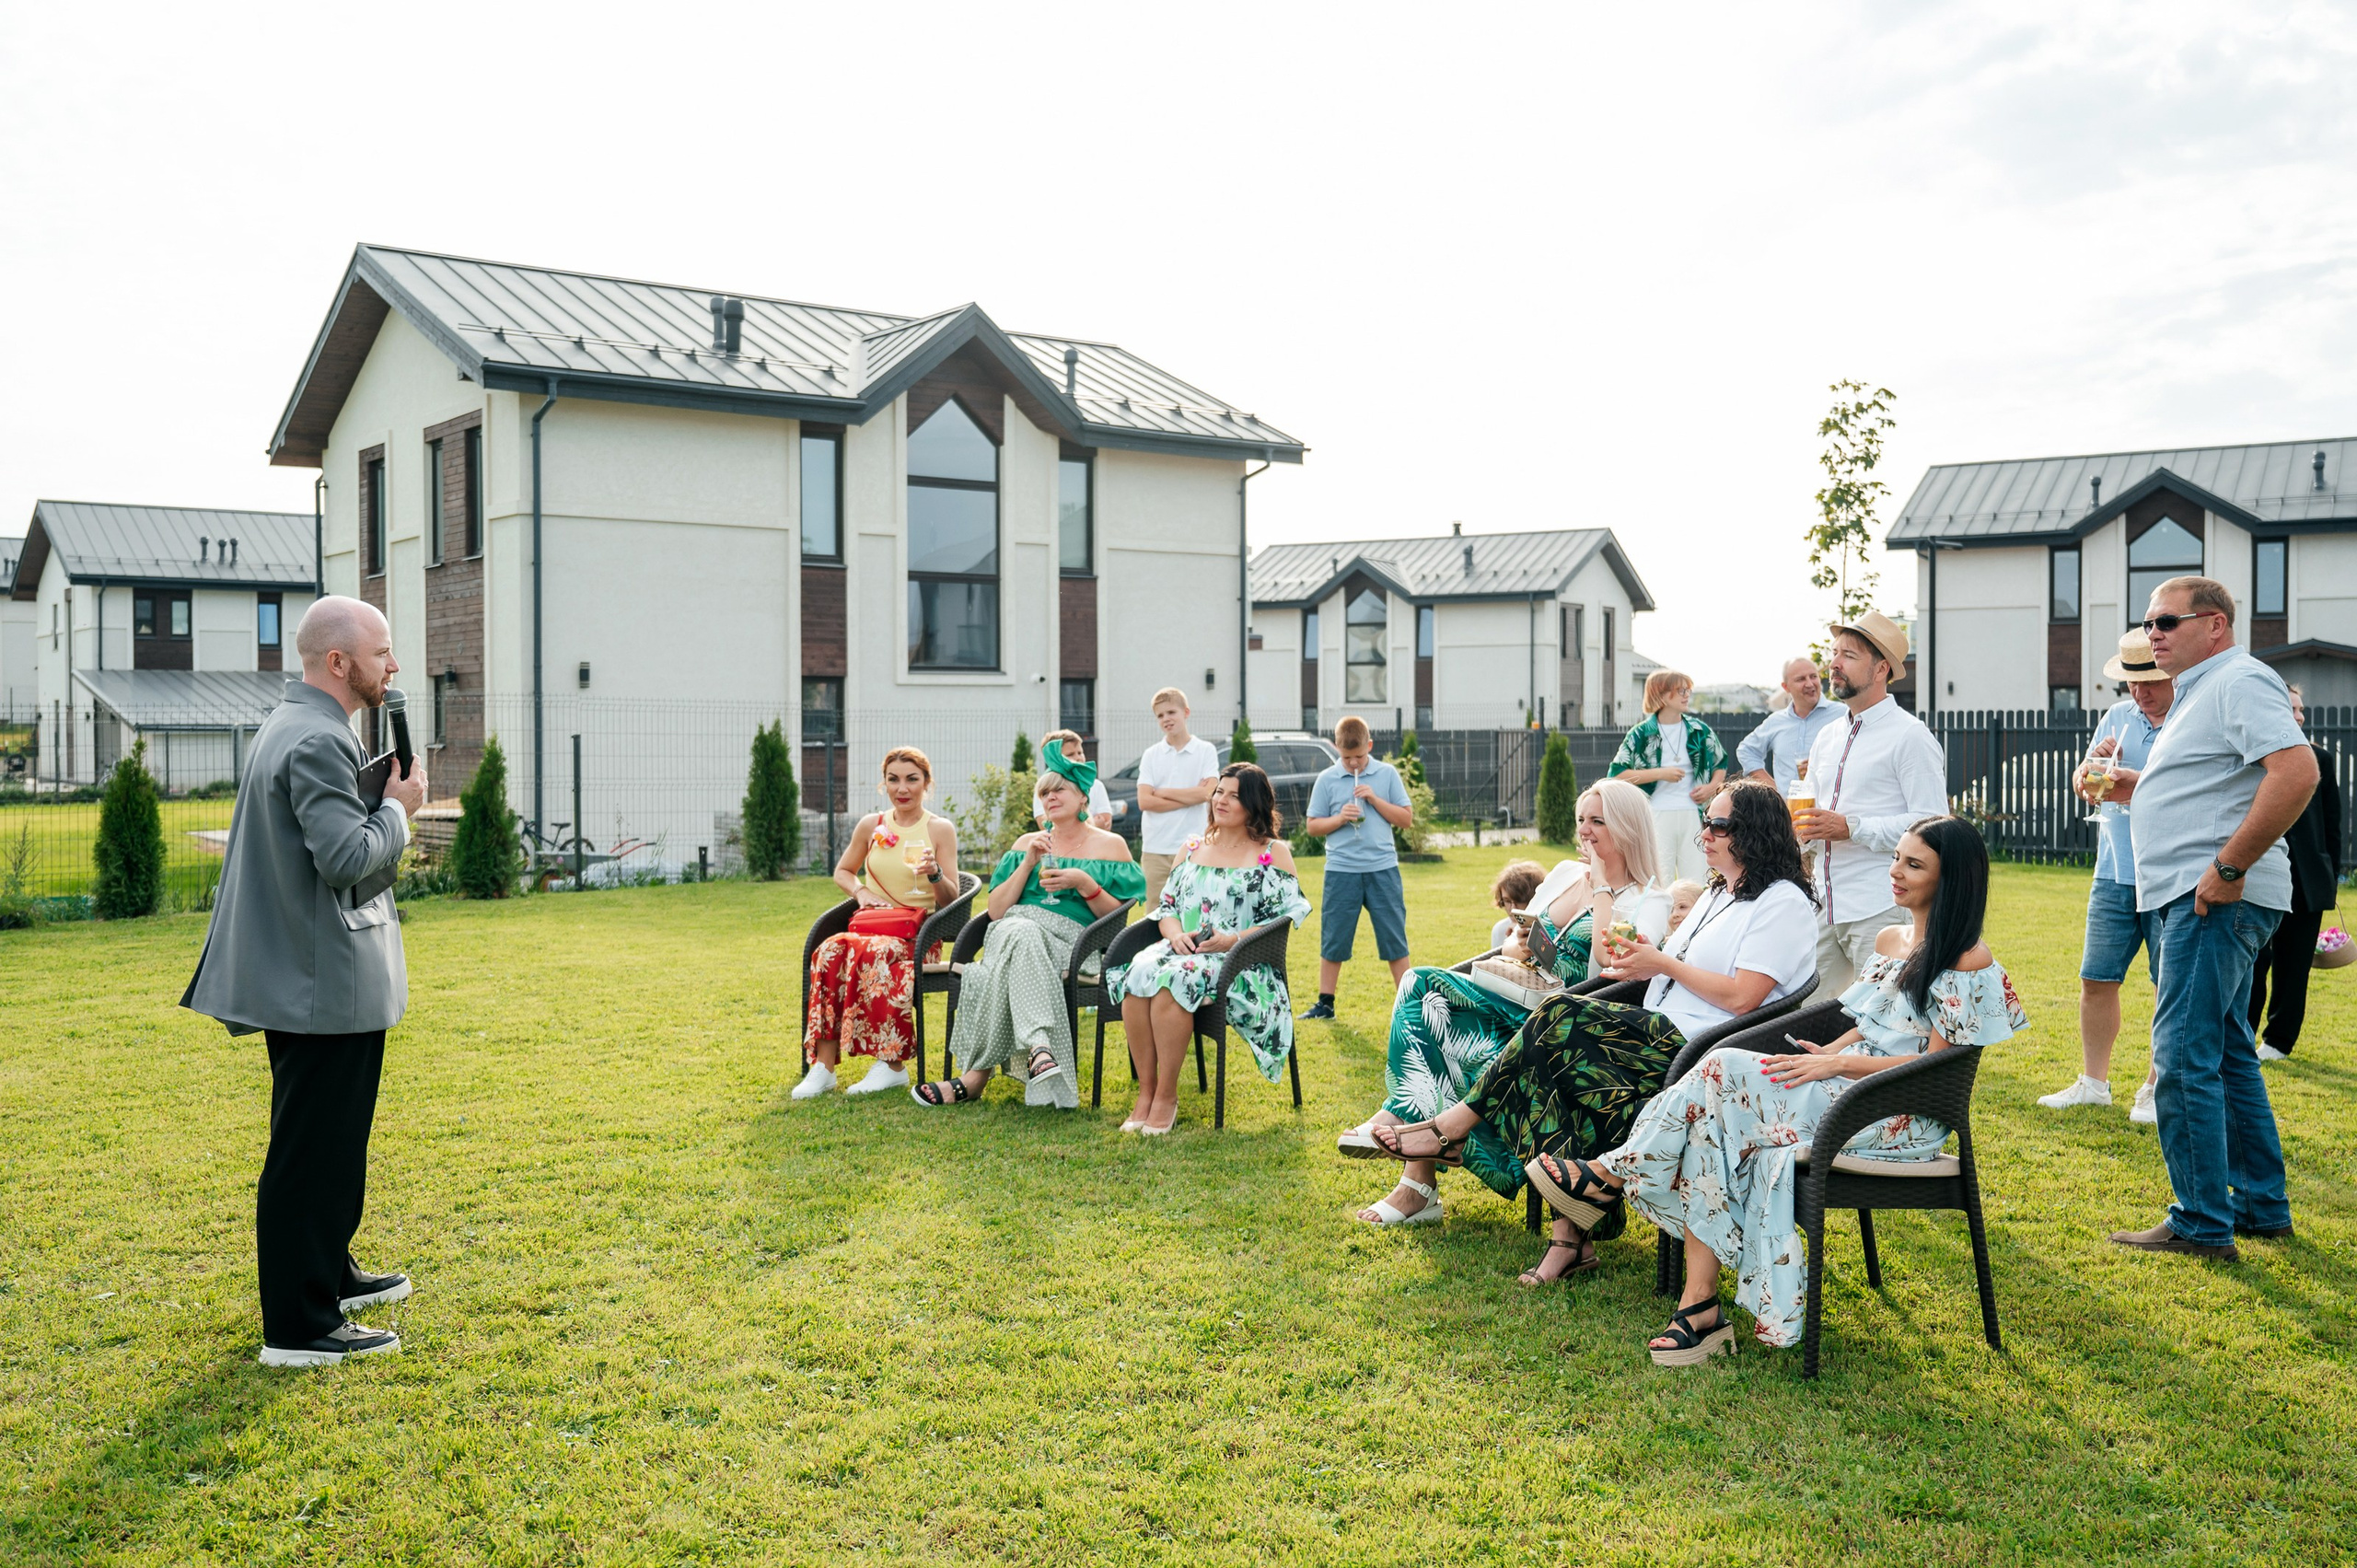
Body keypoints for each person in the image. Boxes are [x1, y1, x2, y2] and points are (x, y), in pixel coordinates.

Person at [1538, 816, 2026, 1364]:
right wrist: (1828, 1052)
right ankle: (1699, 1307)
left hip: (1896, 1113)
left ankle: (1609, 1176)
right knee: (1710, 1118)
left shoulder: (1967, 958)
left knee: (1723, 1068)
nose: (1895, 871)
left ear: (1951, 879)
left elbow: (1935, 1063)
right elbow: (1868, 1020)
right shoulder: (1892, 940)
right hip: (1845, 1083)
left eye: (1914, 865)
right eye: (1897, 858)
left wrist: (1838, 1064)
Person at [1361, 781, 1817, 1286]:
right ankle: (1569, 1242)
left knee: (1556, 1019)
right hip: (1654, 1028)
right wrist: (1641, 964)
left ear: (1755, 832)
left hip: (1698, 1049)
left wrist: (1661, 963)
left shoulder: (1783, 902)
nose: (1704, 833)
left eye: (1718, 825)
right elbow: (1669, 970)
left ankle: (1452, 1130)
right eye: (1705, 821)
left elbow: (1744, 997)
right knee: (1551, 1059)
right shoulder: (1718, 893)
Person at [180, 597, 424, 1367]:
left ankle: (330, 1272)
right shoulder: (317, 738)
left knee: (332, 1142)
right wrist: (400, 811)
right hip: (319, 984)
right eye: (382, 652)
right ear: (339, 663)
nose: (394, 665)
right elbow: (346, 858)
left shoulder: (302, 726)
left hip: (316, 975)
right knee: (310, 1150)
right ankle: (298, 1324)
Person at [1341, 779, 1670, 1233]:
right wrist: (1523, 943)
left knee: (1453, 1048)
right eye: (1581, 820)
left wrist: (1602, 890)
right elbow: (1513, 941)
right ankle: (1409, 1122)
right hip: (1516, 995)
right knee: (1420, 983)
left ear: (1628, 828)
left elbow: (1606, 963)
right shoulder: (1563, 873)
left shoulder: (1650, 899)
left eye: (1598, 821)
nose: (1584, 831)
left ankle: (1416, 1178)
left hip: (1563, 1027)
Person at [2105, 576, 2316, 1260]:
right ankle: (2260, 1206)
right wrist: (2139, 787)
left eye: (2166, 621)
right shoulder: (2200, 689)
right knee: (2225, 1051)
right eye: (2148, 623)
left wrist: (2227, 868)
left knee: (2181, 1055)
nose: (2153, 634)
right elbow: (2212, 785)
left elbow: (2297, 772)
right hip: (2200, 896)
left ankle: (2200, 1222)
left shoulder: (2237, 679)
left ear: (2215, 624)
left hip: (2211, 898)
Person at [912, 740, 1144, 1110]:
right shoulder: (1026, 843)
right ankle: (1039, 1047)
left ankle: (974, 1078)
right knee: (1021, 932)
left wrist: (1085, 884)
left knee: (1001, 962)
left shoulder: (1110, 846)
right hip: (1012, 929)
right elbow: (996, 911)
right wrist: (1027, 863)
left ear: (1083, 798)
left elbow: (1114, 921)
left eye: (1059, 790)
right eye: (1045, 792)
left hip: (1073, 945)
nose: (1050, 797)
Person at [1104, 763, 1312, 1133]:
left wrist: (1232, 940)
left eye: (1234, 796)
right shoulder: (1192, 848)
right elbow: (1166, 908)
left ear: (1254, 803)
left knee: (1172, 981)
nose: (1222, 801)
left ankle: (1166, 1097)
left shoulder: (1272, 853)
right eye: (1219, 792)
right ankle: (1146, 1093)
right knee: (1137, 972)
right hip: (1183, 950)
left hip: (1240, 960)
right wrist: (1174, 936)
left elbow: (1284, 917)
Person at [2038, 630, 2172, 1121]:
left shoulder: (2192, 715)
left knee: (2167, 985)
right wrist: (2087, 772)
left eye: (2149, 681)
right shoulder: (2117, 715)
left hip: (2171, 873)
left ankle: (2157, 1088)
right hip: (2114, 870)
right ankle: (2094, 1083)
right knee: (2096, 979)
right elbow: (2086, 778)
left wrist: (2136, 782)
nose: (2140, 691)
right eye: (2132, 681)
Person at [795, 747, 962, 1100]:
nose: (902, 788)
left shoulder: (939, 829)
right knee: (829, 950)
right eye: (893, 780)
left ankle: (892, 1066)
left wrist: (934, 873)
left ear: (926, 783)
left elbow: (952, 899)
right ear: (883, 783)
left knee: (877, 952)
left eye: (912, 779)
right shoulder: (872, 825)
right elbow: (843, 871)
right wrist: (860, 891)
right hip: (872, 929)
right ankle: (824, 1067)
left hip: (919, 937)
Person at [1795, 611, 1949, 991]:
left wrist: (1852, 827)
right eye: (1834, 653)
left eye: (1848, 655)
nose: (1834, 663)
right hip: (1823, 904)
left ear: (1881, 669)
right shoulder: (1827, 736)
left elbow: (1934, 824)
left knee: (1883, 1017)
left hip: (1880, 908)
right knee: (1806, 1014)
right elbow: (1811, 812)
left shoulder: (1911, 736)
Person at [2248, 684, 2341, 1062]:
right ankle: (2242, 1035)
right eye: (2291, 709)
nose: (2299, 716)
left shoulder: (2321, 759)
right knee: (2253, 963)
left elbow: (2333, 826)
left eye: (2301, 709)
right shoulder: (2252, 759)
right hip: (2258, 874)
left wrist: (2328, 878)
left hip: (2306, 881)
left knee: (2294, 965)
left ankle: (2278, 1042)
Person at [1299, 715, 1415, 1019]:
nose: (1353, 764)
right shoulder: (1326, 779)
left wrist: (1374, 799)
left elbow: (1405, 819)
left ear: (1370, 746)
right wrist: (1340, 818)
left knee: (1394, 937)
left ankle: (1407, 1005)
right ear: (1337, 748)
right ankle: (1325, 1004)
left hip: (1382, 869)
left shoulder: (1387, 774)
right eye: (1347, 757)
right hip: (1341, 871)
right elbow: (1312, 826)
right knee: (1334, 937)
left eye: (1359, 757)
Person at [1607, 668, 1727, 886]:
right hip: (1655, 814)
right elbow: (1617, 776)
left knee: (1698, 881)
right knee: (1657, 881)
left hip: (1695, 814)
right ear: (1661, 695)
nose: (1687, 695)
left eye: (1688, 690)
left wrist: (1712, 787)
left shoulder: (1699, 730)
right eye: (1681, 690)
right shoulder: (1640, 734)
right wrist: (1661, 773)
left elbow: (1721, 763)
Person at [1133, 689, 1219, 914]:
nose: (1166, 719)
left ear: (1186, 712)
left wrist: (1163, 792)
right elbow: (1145, 801)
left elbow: (1208, 793)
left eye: (1171, 712)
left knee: (1196, 911)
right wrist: (1192, 796)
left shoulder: (1205, 750)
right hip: (1156, 848)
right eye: (1160, 715)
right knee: (1156, 912)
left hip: (1195, 845)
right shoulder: (1151, 754)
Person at [1738, 656, 1842, 795]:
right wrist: (1773, 790)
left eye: (1813, 676)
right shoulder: (1775, 721)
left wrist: (1824, 764)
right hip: (1786, 807)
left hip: (1828, 806)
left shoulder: (1843, 715)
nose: (1810, 684)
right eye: (1801, 679)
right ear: (1786, 687)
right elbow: (1746, 750)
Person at [1044, 726, 1120, 830]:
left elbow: (1106, 823)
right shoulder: (1045, 788)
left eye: (1080, 753)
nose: (1078, 758)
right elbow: (1046, 825)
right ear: (1055, 759)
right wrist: (1092, 824)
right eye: (1070, 754)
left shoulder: (1096, 785)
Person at [1489, 859, 1549, 950]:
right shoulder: (1500, 930)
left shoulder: (1551, 928)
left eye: (1519, 901)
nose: (1513, 908)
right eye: (1507, 901)